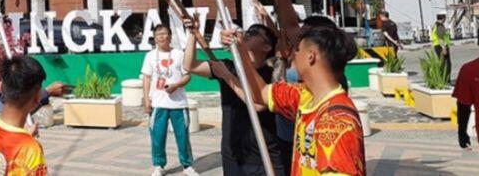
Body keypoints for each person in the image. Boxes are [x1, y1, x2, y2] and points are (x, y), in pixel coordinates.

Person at [220, 22, 365, 176]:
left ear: (311, 56)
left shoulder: (336, 120)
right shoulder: (304, 95)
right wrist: (241, 51)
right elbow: (261, 93)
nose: (293, 54)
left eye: (297, 50)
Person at [183, 21, 284, 176]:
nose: (249, 32)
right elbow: (190, 66)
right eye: (248, 30)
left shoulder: (272, 75)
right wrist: (192, 34)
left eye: (256, 32)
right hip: (233, 154)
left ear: (267, 47)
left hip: (264, 156)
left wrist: (227, 77)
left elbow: (258, 105)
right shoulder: (229, 66)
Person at [0, 55, 48, 175]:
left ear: (1, 87)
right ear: (38, 97)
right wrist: (26, 139)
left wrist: (24, 137)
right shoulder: (30, 149)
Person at [143, 24, 196, 176]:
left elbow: (187, 76)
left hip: (178, 103)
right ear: (155, 38)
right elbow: (146, 78)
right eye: (158, 34)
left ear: (170, 36)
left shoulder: (179, 54)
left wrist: (176, 85)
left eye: (165, 33)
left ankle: (187, 166)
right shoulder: (150, 56)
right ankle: (159, 165)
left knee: (183, 136)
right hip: (158, 104)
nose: (162, 37)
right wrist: (146, 100)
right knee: (157, 136)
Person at [453, 54, 479, 150]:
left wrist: (462, 135)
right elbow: (463, 105)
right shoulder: (469, 70)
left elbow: (463, 105)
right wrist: (462, 135)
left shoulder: (469, 69)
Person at [432, 14, 452, 82]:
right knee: (446, 64)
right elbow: (440, 38)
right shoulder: (440, 26)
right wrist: (444, 48)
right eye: (445, 18)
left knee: (442, 63)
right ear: (443, 18)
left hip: (437, 46)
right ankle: (446, 80)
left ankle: (443, 79)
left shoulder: (435, 25)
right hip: (441, 46)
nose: (445, 19)